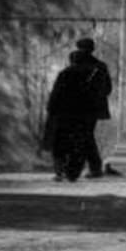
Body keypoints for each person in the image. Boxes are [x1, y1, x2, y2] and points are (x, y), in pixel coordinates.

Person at [42, 45, 101, 184]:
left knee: (60, 144)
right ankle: (72, 173)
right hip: (81, 116)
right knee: (78, 144)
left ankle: (60, 171)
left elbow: (56, 94)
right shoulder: (90, 75)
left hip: (63, 115)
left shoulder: (65, 74)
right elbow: (94, 96)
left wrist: (51, 110)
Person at [74, 36, 113, 178]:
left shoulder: (76, 66)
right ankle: (93, 167)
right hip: (92, 108)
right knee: (86, 136)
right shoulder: (100, 66)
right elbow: (108, 88)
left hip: (79, 107)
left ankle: (92, 168)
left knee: (83, 136)